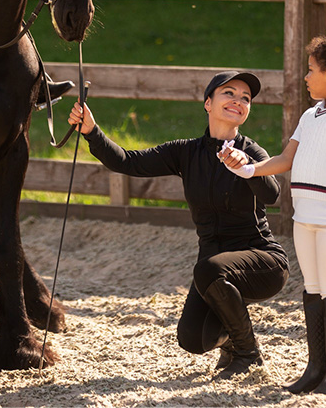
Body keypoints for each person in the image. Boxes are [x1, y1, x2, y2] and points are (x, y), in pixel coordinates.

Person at [68, 72, 289, 378]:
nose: (238, 101)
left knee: (208, 269)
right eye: (230, 93)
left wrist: (248, 168)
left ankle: (248, 353)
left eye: (245, 98)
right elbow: (127, 162)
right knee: (193, 339)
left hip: (263, 262)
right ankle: (232, 339)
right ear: (208, 103)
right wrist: (91, 131)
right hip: (213, 270)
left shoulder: (251, 152)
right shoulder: (185, 152)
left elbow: (273, 194)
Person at [219, 30, 326, 395]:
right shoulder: (311, 115)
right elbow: (285, 159)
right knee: (313, 291)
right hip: (305, 218)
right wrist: (246, 168)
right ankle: (315, 369)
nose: (306, 77)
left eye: (311, 70)